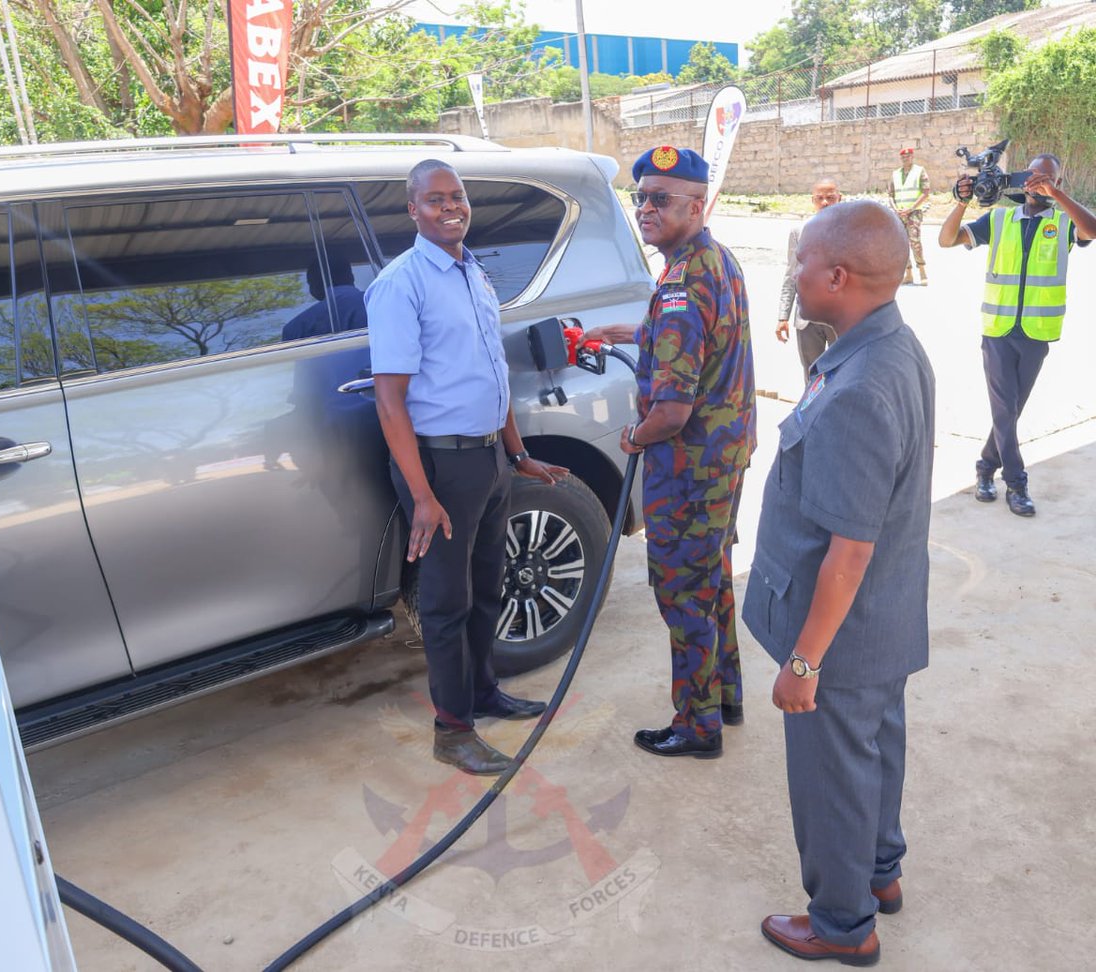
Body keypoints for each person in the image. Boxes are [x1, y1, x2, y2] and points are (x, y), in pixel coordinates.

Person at [742, 200, 935, 967]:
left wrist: (802, 661)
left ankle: (843, 923)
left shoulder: (859, 386)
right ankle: (879, 873)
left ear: (838, 275)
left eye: (801, 263)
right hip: (879, 620)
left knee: (833, 776)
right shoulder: (884, 345)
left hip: (842, 632)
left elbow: (848, 552)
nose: (795, 273)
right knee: (876, 751)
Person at [365, 159, 566, 776]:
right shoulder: (403, 284)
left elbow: (492, 375)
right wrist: (423, 496)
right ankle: (452, 730)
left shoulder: (471, 271)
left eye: (457, 198)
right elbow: (390, 400)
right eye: (435, 200)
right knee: (448, 605)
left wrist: (518, 452)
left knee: (489, 587)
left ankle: (483, 693)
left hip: (488, 459)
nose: (450, 208)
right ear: (412, 210)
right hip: (440, 467)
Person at [582, 145, 756, 760]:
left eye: (661, 199)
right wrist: (627, 331)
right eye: (641, 198)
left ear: (696, 205)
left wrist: (632, 437)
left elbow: (672, 411)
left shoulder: (681, 282)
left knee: (682, 593)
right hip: (723, 461)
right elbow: (698, 336)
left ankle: (697, 725)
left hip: (687, 470)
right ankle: (724, 696)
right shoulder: (713, 260)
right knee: (713, 585)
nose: (646, 209)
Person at [938, 153, 1096, 517]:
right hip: (997, 330)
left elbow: (1092, 230)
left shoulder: (1062, 221)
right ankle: (1017, 483)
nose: (1038, 182)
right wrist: (961, 203)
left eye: (1048, 178)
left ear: (1058, 183)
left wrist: (1058, 197)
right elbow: (947, 240)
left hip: (1036, 333)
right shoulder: (999, 218)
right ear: (1021, 179)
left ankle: (984, 467)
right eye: (1034, 175)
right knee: (1005, 411)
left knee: (1011, 412)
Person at [777, 178, 842, 379]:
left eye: (830, 198)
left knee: (841, 373)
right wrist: (783, 316)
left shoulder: (850, 231)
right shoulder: (799, 232)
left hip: (839, 318)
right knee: (812, 376)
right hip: (807, 319)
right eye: (820, 198)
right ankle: (812, 410)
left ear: (839, 198)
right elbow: (791, 275)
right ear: (812, 200)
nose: (825, 202)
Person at [282, 253, 368, 342]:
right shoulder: (378, 302)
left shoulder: (295, 329)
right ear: (352, 277)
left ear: (315, 284)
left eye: (309, 283)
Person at [888, 147, 930, 286]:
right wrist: (895, 209)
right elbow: (891, 195)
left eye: (908, 156)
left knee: (915, 241)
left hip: (914, 212)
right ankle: (909, 274)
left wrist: (911, 208)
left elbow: (925, 192)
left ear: (912, 157)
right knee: (902, 244)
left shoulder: (919, 171)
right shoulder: (895, 174)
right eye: (903, 157)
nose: (906, 159)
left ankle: (922, 271)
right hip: (899, 213)